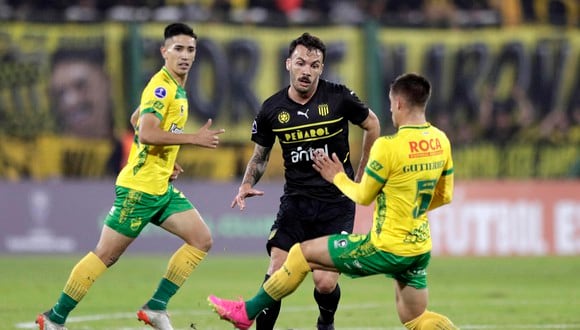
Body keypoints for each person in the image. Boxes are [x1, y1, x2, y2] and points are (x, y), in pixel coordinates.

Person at [210, 72, 457, 330]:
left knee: (300, 253)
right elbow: (444, 195)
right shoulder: (441, 140)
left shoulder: (388, 146)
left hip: (386, 247)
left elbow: (363, 196)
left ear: (398, 104)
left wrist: (337, 176)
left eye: (390, 104)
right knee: (416, 319)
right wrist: (407, 207)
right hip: (418, 249)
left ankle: (246, 312)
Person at [36, 22, 225, 330]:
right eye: (178, 49)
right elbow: (148, 132)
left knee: (201, 239)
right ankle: (55, 317)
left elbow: (136, 119)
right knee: (106, 255)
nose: (185, 55)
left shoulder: (176, 88)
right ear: (164, 52)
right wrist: (193, 139)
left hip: (159, 186)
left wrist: (165, 159)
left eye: (190, 49)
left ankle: (156, 307)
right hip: (139, 189)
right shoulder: (161, 87)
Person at [229, 32, 380, 330]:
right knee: (276, 271)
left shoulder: (338, 97)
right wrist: (246, 184)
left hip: (336, 203)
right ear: (288, 64)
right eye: (301, 63)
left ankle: (326, 322)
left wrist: (361, 175)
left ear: (321, 68)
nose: (306, 71)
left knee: (324, 283)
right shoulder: (272, 109)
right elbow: (260, 157)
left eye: (314, 65)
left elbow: (372, 124)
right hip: (296, 203)